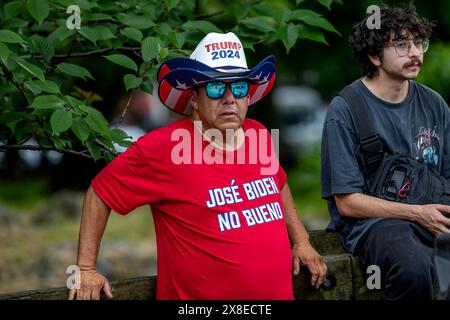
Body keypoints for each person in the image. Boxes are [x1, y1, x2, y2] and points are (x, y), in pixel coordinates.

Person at [69, 32, 327, 300]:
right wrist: (86, 268)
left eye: (239, 87)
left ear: (248, 97)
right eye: (216, 88)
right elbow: (101, 192)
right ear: (194, 99)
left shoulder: (258, 133)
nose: (229, 98)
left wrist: (302, 241)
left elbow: (277, 185)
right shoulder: (164, 147)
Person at [321, 4, 450, 300]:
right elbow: (347, 203)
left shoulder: (435, 104)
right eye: (402, 45)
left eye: (419, 43)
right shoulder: (346, 110)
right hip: (374, 225)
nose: (415, 52)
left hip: (432, 212)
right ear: (375, 56)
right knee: (413, 267)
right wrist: (417, 213)